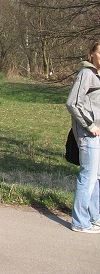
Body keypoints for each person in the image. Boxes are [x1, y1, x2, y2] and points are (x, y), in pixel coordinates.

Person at [66, 42, 100, 233]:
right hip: (88, 134)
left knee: (96, 177)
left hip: (97, 134)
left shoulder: (97, 76)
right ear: (91, 55)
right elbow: (72, 103)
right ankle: (79, 222)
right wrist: (91, 125)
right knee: (88, 177)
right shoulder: (86, 74)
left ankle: (95, 217)